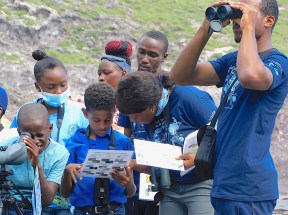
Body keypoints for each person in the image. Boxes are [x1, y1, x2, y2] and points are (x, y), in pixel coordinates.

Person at [170, 0, 288, 214]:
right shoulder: (232, 61)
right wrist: (207, 27)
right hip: (224, 184)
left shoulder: (279, 62)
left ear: (269, 20)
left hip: (249, 188)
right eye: (236, 11)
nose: (237, 18)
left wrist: (248, 26)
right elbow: (180, 75)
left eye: (245, 11)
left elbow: (251, 77)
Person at [116, 71, 217, 215]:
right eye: (130, 117)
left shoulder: (190, 99)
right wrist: (132, 163)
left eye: (136, 116)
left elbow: (225, 134)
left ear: (151, 105)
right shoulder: (146, 113)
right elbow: (156, 157)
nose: (134, 121)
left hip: (201, 183)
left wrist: (197, 158)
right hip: (169, 188)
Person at [10, 50, 88, 214]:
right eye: (50, 87)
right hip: (32, 191)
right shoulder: (25, 113)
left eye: (63, 85)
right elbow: (13, 148)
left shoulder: (80, 113)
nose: (59, 92)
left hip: (68, 191)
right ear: (38, 86)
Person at [60, 82, 136, 215]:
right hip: (83, 212)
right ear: (85, 113)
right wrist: (67, 172)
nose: (102, 126)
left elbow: (131, 193)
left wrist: (128, 183)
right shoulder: (75, 142)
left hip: (116, 211)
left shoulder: (124, 142)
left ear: (115, 112)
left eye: (108, 120)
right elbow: (65, 193)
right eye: (96, 120)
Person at [117, 30, 169, 215]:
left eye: (152, 55)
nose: (145, 59)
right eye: (141, 52)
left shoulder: (172, 87)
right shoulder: (129, 85)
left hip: (164, 172)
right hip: (137, 172)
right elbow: (127, 133)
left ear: (164, 57)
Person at [0, 103, 69, 214]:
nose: (35, 141)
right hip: (11, 204)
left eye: (40, 135)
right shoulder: (7, 146)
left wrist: (37, 166)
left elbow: (46, 200)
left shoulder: (59, 154)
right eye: (28, 136)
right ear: (19, 132)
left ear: (50, 129)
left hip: (44, 207)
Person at [98, 40, 133, 132]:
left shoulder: (133, 105)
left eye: (106, 73)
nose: (100, 78)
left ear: (123, 73)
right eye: (99, 74)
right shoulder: (98, 104)